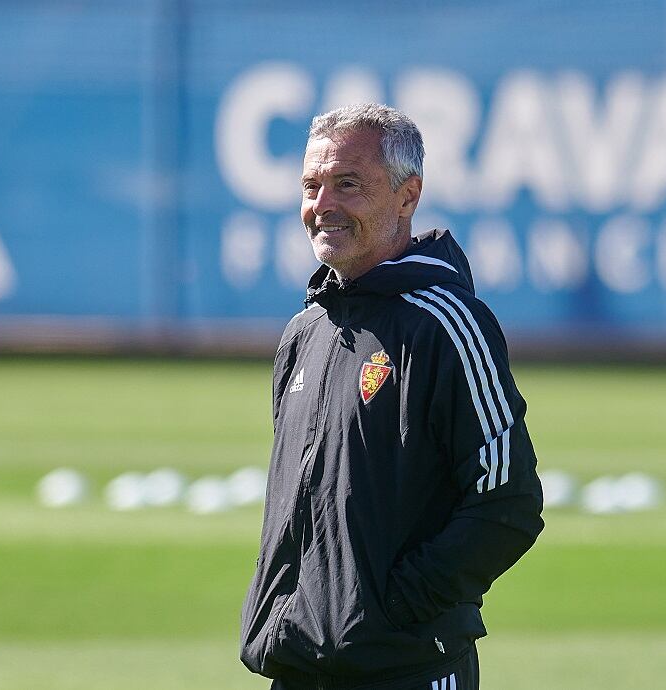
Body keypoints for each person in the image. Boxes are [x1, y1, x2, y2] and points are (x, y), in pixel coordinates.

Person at [239, 103, 544, 690]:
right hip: (298, 665)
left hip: (406, 671)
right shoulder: (306, 332)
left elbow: (508, 501)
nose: (323, 206)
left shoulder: (447, 324)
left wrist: (396, 610)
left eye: (348, 185)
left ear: (408, 196)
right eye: (311, 186)